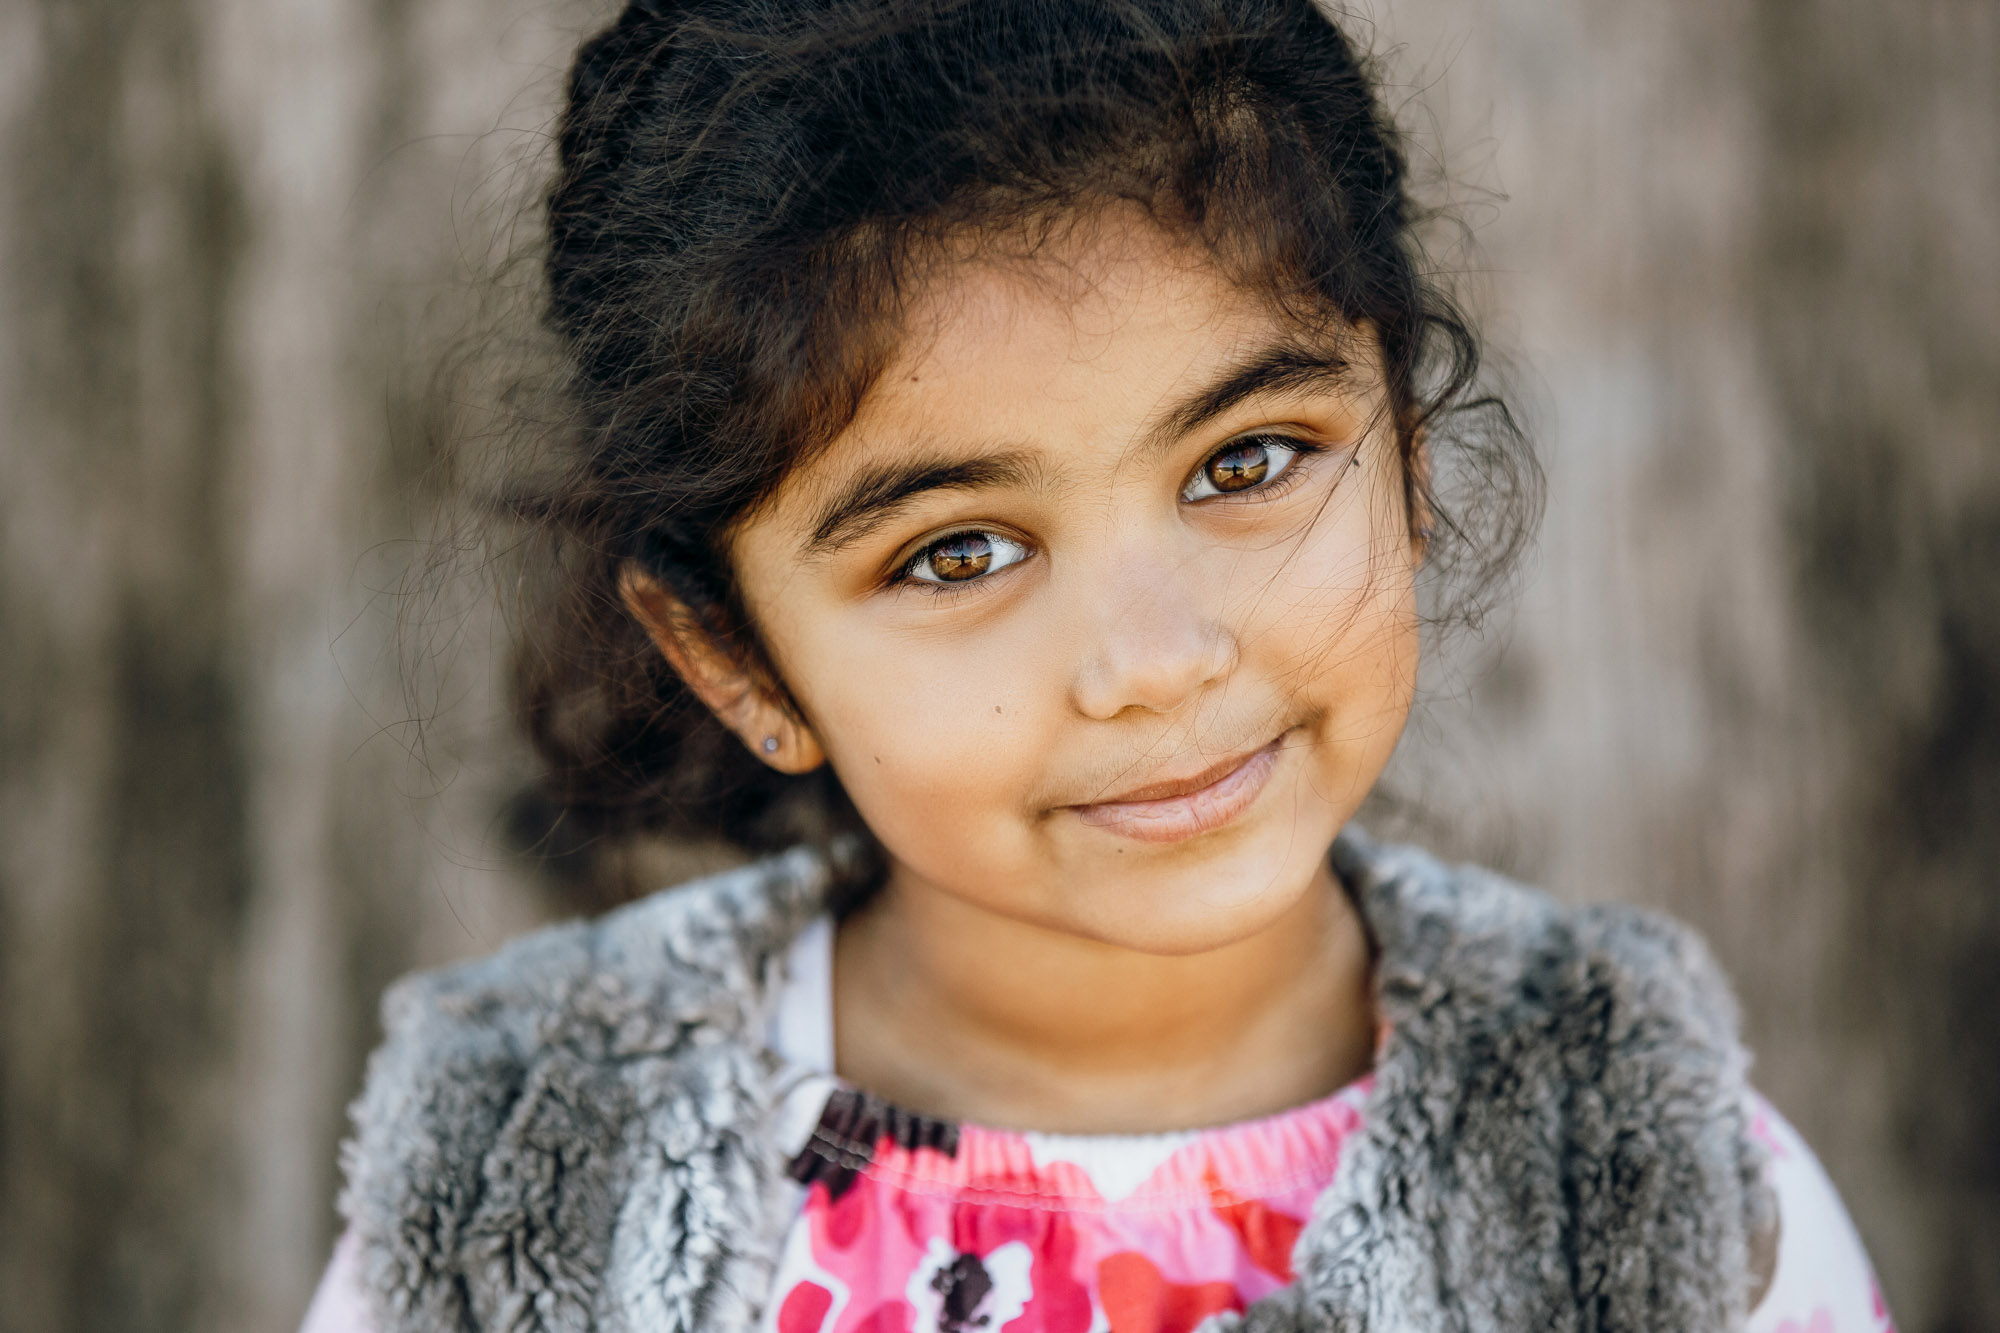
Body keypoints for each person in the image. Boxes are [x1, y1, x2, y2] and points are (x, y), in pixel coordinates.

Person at [302, 1, 1889, 1329]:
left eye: (1249, 458)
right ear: (732, 657)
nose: (1155, 662)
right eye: (957, 552)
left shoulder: (1654, 1191)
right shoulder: (525, 1181)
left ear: (1404, 452)